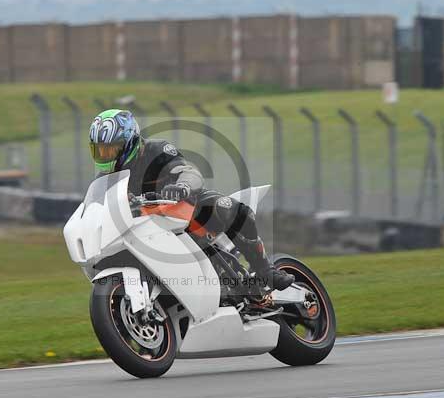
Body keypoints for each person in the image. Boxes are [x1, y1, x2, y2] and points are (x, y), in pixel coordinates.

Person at [88, 108, 294, 291]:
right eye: (100, 151)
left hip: (183, 207)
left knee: (236, 211)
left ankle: (265, 270)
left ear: (130, 142)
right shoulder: (105, 180)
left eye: (111, 149)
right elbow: (96, 209)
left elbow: (188, 171)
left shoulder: (156, 151)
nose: (106, 157)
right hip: (145, 227)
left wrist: (181, 187)